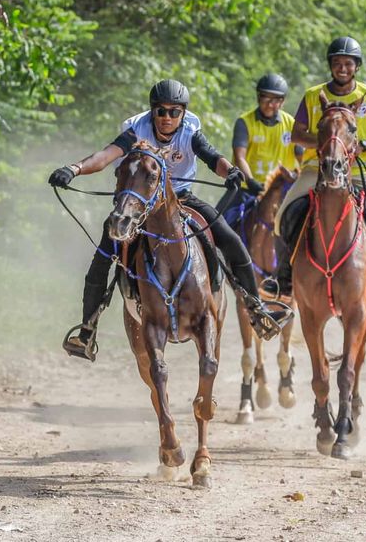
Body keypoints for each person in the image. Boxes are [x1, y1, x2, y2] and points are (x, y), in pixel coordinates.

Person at [48, 79, 292, 360]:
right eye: (160, 111)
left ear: (182, 113)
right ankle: (87, 330)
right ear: (152, 111)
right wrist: (74, 168)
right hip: (139, 206)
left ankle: (257, 309)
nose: (166, 118)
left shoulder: (189, 130)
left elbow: (213, 158)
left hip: (180, 199)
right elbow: (106, 155)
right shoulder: (136, 130)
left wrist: (232, 172)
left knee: (230, 239)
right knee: (103, 256)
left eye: (173, 112)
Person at [261, 37, 366, 305]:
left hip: (361, 171)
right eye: (337, 63)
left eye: (348, 63)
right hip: (317, 167)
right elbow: (297, 134)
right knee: (282, 215)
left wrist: (363, 145)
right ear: (330, 65)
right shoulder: (313, 95)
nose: (342, 68)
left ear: (356, 67)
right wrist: (328, 145)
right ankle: (283, 277)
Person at [217, 73, 303, 218]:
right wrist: (250, 181)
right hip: (247, 189)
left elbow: (302, 157)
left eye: (276, 100)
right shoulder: (244, 122)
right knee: (215, 223)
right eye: (266, 98)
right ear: (258, 97)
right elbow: (240, 157)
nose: (270, 104)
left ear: (283, 101)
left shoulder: (291, 124)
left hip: (281, 190)